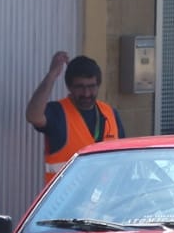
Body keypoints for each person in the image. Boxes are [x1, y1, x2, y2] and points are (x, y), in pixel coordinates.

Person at [27, 51, 126, 184]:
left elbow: (124, 159)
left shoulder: (110, 114)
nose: (86, 93)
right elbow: (33, 116)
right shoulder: (58, 112)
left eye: (91, 87)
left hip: (105, 201)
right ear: (69, 87)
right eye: (80, 87)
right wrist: (52, 76)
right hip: (66, 202)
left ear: (98, 86)